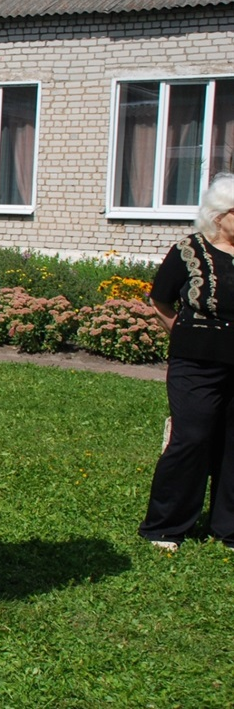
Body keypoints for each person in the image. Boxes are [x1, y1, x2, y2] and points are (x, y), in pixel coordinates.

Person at [139, 172, 234, 552]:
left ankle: (228, 528)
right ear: (219, 214)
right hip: (196, 362)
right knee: (191, 437)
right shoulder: (189, 250)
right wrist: (183, 332)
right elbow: (160, 299)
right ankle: (165, 527)